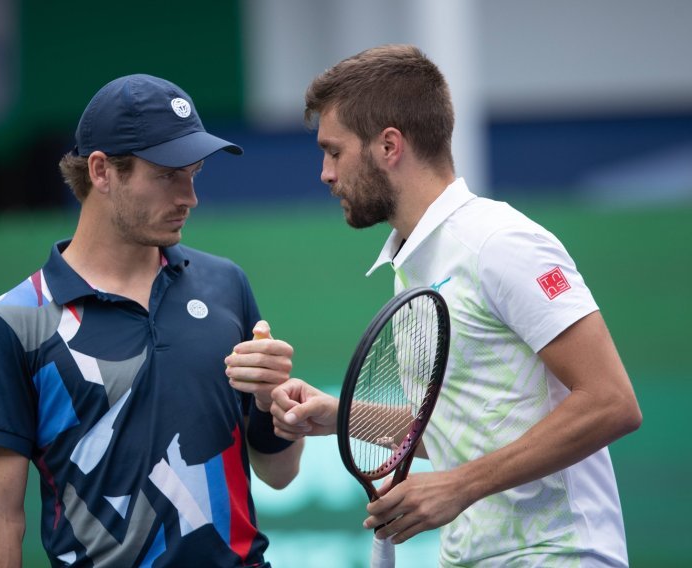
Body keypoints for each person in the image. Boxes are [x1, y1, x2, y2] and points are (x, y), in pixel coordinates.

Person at [267, 44, 642, 566]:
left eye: (334, 152)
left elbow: (612, 402)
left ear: (389, 146)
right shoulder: (414, 263)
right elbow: (458, 432)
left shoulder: (500, 242)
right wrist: (337, 416)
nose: (325, 174)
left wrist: (459, 486)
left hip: (557, 553)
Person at [0, 74, 302, 567]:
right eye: (167, 175)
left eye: (195, 172)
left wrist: (272, 404)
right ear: (101, 171)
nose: (190, 196)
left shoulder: (226, 284)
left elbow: (278, 472)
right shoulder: (16, 319)